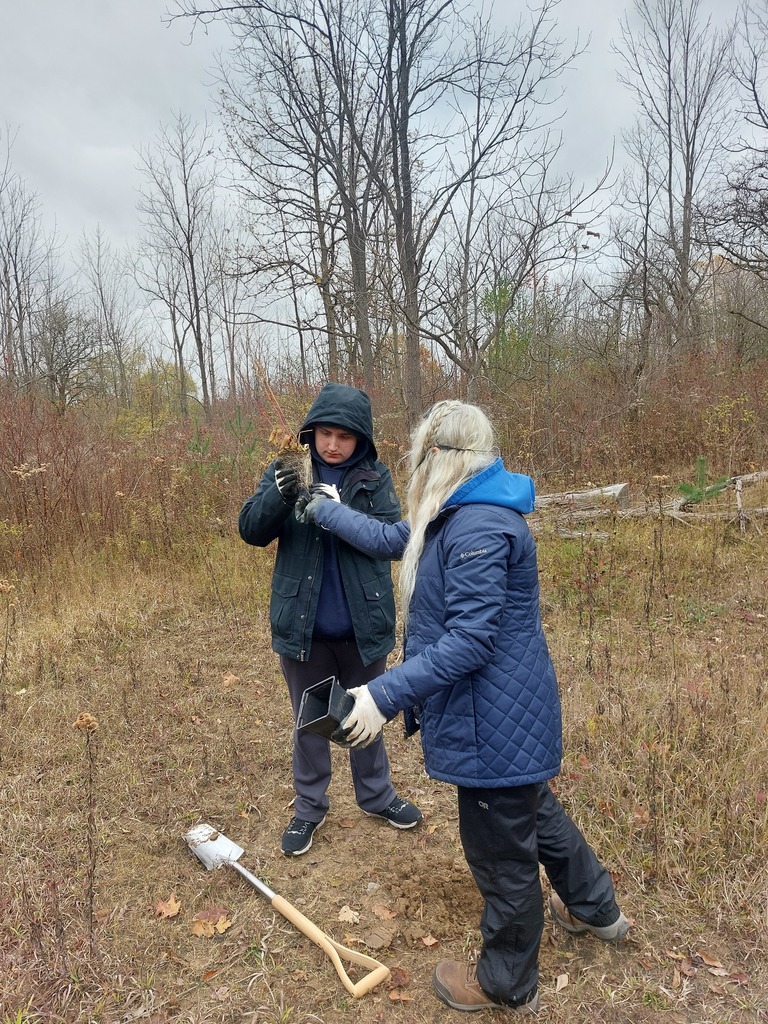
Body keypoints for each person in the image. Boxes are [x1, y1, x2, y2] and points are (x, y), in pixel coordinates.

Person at [296, 399, 629, 1014]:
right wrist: (331, 512)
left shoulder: (476, 526)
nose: (416, 470)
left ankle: (503, 983)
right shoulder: (460, 512)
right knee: (532, 810)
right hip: (504, 714)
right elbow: (394, 538)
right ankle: (596, 908)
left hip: (489, 717)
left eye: (422, 457)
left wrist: (381, 694)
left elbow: (470, 641)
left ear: (441, 458)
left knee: (502, 857)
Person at [238, 382, 422, 857]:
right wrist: (278, 498)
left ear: (361, 439)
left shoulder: (375, 479)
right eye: (324, 433)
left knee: (365, 717)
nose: (333, 445)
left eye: (344, 436)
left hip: (365, 626)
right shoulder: (287, 472)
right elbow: (250, 531)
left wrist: (338, 514)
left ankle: (376, 796)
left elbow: (396, 539)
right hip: (305, 628)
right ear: (311, 432)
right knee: (310, 721)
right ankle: (309, 809)